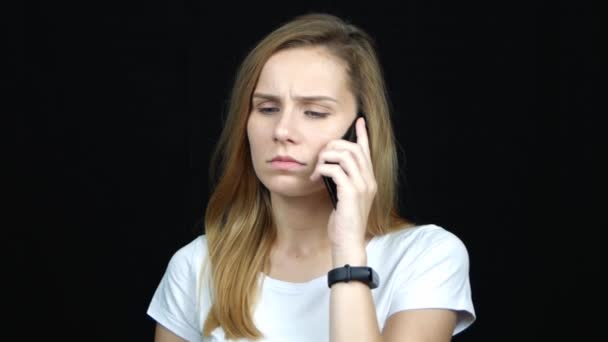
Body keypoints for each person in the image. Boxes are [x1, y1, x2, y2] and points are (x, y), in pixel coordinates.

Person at [147, 12, 476, 342]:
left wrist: (348, 252)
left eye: (314, 112)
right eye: (267, 108)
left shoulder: (426, 256)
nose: (283, 131)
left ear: (360, 132)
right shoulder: (197, 266)